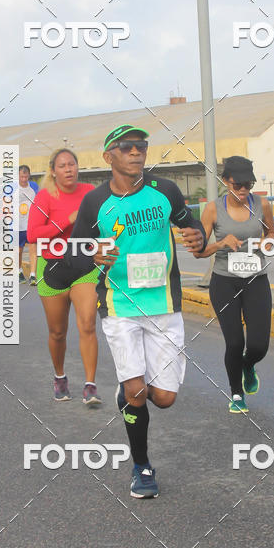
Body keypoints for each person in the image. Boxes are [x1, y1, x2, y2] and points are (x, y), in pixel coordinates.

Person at [45, 125, 206, 499]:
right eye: (127, 147)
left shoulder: (164, 190)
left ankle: (129, 391)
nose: (136, 152)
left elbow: (189, 223)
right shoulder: (96, 203)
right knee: (136, 391)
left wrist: (196, 234)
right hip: (118, 306)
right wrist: (92, 254)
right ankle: (142, 465)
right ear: (109, 157)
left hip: (164, 304)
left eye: (141, 146)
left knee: (164, 397)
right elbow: (72, 255)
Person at [197, 156, 274, 414]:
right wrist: (220, 244)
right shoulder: (212, 209)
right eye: (238, 185)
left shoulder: (262, 204)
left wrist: (269, 242)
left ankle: (247, 365)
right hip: (224, 283)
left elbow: (271, 233)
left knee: (258, 345)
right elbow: (198, 251)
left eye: (248, 185)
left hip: (256, 280)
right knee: (234, 343)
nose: (243, 190)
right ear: (225, 182)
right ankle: (236, 394)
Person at [26, 149, 101, 405]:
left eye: (72, 164)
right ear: (53, 171)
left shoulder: (90, 192)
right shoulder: (45, 197)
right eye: (62, 165)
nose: (68, 169)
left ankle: (90, 385)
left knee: (88, 323)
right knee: (58, 332)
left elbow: (104, 222)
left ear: (78, 167)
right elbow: (33, 235)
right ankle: (60, 377)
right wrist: (67, 221)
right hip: (54, 269)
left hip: (84, 266)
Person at [18, 164, 39, 285]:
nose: (24, 179)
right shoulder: (12, 188)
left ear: (29, 176)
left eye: (26, 177)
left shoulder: (34, 187)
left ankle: (32, 275)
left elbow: (40, 202)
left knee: (33, 248)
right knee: (18, 250)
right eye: (21, 177)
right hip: (17, 225)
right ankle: (19, 271)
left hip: (31, 224)